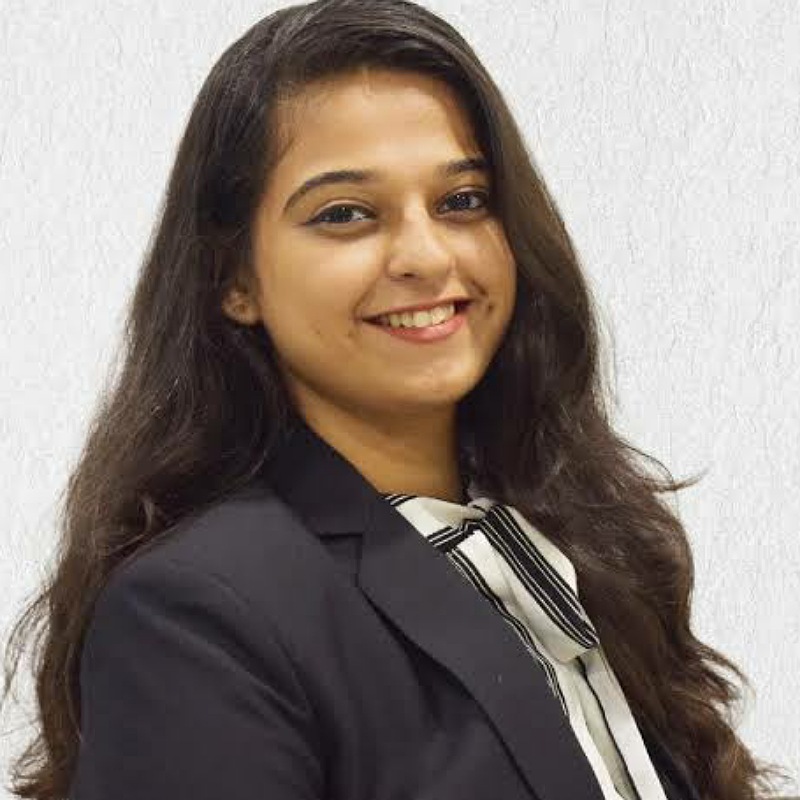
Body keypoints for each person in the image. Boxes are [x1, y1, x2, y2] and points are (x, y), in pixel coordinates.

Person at [1, 1, 790, 799]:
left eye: (463, 201)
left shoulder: (576, 545)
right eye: (346, 214)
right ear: (233, 278)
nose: (426, 255)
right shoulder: (200, 613)